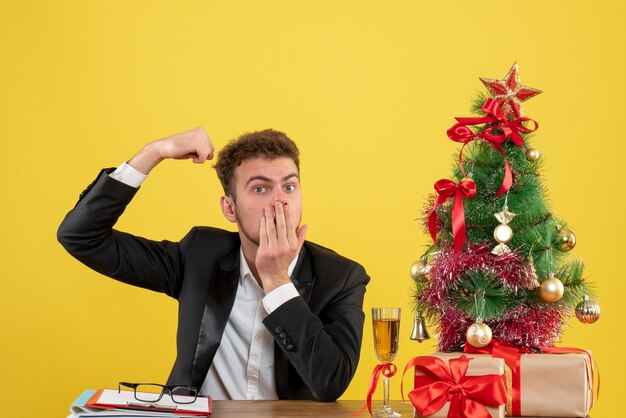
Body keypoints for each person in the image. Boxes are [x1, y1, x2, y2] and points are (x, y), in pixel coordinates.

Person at [57, 127, 370, 401]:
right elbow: (81, 236)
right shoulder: (199, 256)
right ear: (229, 208)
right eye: (260, 188)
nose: (280, 201)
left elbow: (330, 383)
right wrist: (155, 152)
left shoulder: (342, 278)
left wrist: (277, 280)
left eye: (289, 186)